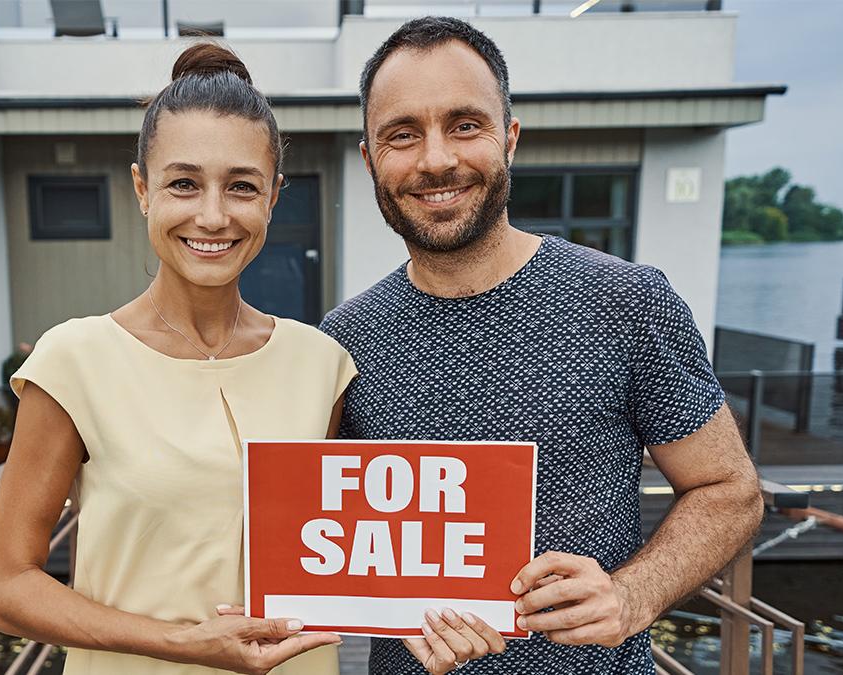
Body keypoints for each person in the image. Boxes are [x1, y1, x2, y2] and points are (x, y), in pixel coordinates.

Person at [319, 16, 764, 675]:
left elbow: (730, 488)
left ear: (511, 138)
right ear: (369, 159)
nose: (437, 158)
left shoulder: (629, 302)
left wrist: (632, 592)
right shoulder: (345, 340)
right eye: (403, 135)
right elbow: (331, 540)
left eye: (465, 124)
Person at [0, 45, 359, 675]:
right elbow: (2, 587)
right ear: (142, 188)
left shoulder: (322, 363)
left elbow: (350, 556)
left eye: (241, 187)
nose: (213, 215)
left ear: (273, 197)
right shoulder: (75, 360)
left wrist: (442, 611)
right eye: (184, 183)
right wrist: (181, 643)